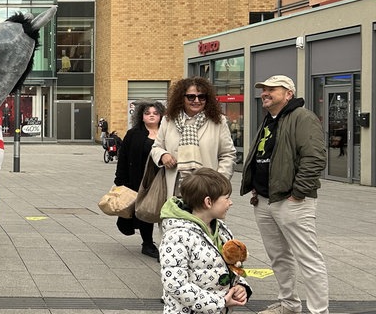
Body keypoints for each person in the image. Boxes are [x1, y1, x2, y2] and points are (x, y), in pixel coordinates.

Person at [240, 75, 328, 314]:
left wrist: (298, 193)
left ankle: (320, 311)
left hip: (292, 201)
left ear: (288, 94)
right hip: (265, 200)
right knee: (279, 257)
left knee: (308, 259)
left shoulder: (303, 118)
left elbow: (315, 158)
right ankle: (289, 304)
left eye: (271, 89)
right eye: (263, 89)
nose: (265, 93)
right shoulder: (270, 119)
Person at [160, 167, 251, 313]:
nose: (231, 203)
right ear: (208, 202)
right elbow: (175, 285)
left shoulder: (221, 229)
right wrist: (218, 302)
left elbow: (232, 265)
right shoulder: (177, 237)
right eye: (226, 198)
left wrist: (241, 287)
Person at [150, 77, 236, 199]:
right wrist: (163, 155)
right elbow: (156, 147)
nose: (196, 101)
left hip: (207, 189)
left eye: (201, 97)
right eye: (191, 97)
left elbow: (228, 154)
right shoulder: (168, 120)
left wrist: (219, 181)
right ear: (182, 98)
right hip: (175, 188)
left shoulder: (218, 121)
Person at [114, 101, 165, 259]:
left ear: (161, 116)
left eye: (155, 113)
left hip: (163, 179)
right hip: (140, 180)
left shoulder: (167, 133)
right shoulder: (134, 134)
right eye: (147, 113)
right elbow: (123, 156)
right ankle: (147, 243)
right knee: (146, 211)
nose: (151, 115)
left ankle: (168, 242)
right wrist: (120, 180)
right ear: (141, 116)